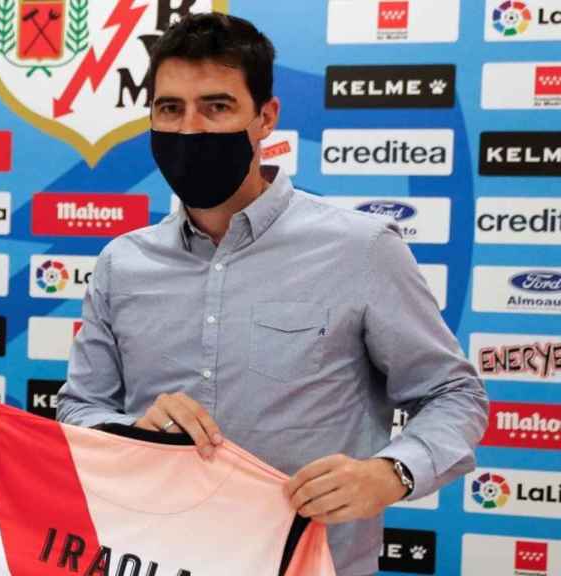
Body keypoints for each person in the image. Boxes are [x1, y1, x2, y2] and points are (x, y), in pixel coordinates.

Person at [56, 13, 488, 576]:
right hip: (151, 557)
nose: (190, 130)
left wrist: (390, 473)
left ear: (265, 118)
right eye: (170, 109)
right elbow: (78, 408)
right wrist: (125, 434)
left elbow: (454, 394)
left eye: (216, 106)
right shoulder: (123, 263)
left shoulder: (361, 249)